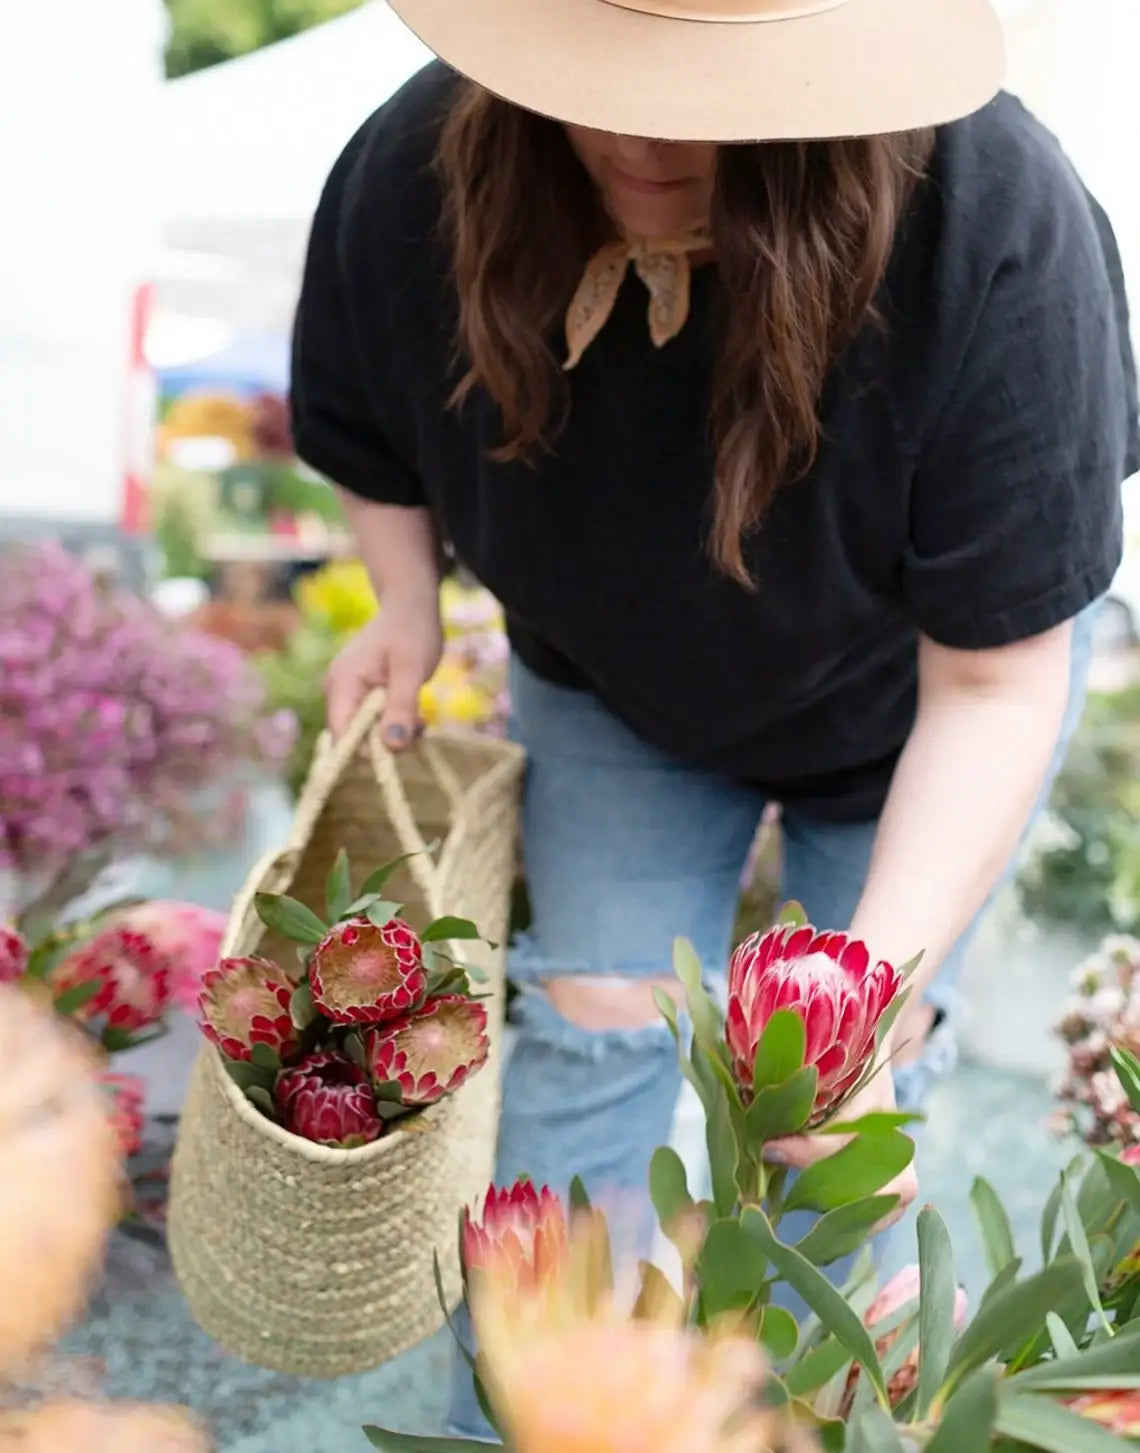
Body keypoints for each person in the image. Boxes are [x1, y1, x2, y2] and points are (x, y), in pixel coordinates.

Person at [293, 0, 1139, 1433]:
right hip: (616, 688)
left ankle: (798, 1419)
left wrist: (867, 993)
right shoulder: (414, 166)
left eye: (704, 88)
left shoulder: (996, 222)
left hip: (912, 727)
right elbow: (364, 417)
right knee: (589, 1032)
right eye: (606, 74)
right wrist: (404, 600)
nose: (636, 134)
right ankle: (535, 1417)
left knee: (833, 1124)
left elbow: (996, 683)